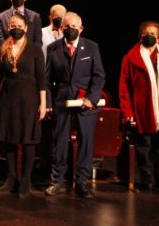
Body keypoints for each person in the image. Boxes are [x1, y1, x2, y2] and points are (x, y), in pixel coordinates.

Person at [44, 11, 105, 199]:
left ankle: (82, 183)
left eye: (74, 27)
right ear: (62, 28)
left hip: (85, 103)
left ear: (81, 28)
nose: (70, 30)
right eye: (66, 27)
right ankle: (58, 181)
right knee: (59, 142)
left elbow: (99, 76)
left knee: (86, 142)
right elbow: (47, 80)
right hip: (62, 102)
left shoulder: (91, 47)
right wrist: (48, 103)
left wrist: (91, 98)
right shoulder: (53, 48)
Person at [119, 21, 159, 190]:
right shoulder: (131, 57)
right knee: (144, 145)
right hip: (142, 109)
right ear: (140, 35)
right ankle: (146, 177)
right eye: (146, 33)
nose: (149, 36)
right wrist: (128, 111)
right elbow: (124, 87)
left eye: (153, 34)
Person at [0, 14, 47, 199]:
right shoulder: (4, 48)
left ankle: (25, 180)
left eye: (19, 25)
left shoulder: (34, 49)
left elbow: (42, 79)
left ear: (26, 28)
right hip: (7, 97)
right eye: (12, 25)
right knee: (8, 138)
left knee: (28, 140)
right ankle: (11, 178)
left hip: (29, 98)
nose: (15, 28)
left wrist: (43, 103)